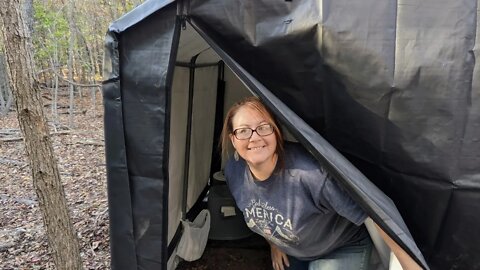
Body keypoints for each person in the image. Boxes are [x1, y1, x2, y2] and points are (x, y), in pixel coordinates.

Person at [220, 96, 422, 270]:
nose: (254, 137)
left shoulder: (311, 174)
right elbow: (257, 210)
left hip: (342, 246)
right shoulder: (234, 171)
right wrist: (274, 244)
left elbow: (375, 216)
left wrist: (409, 265)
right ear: (233, 139)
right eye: (243, 131)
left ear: (277, 132)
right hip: (298, 251)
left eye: (264, 127)